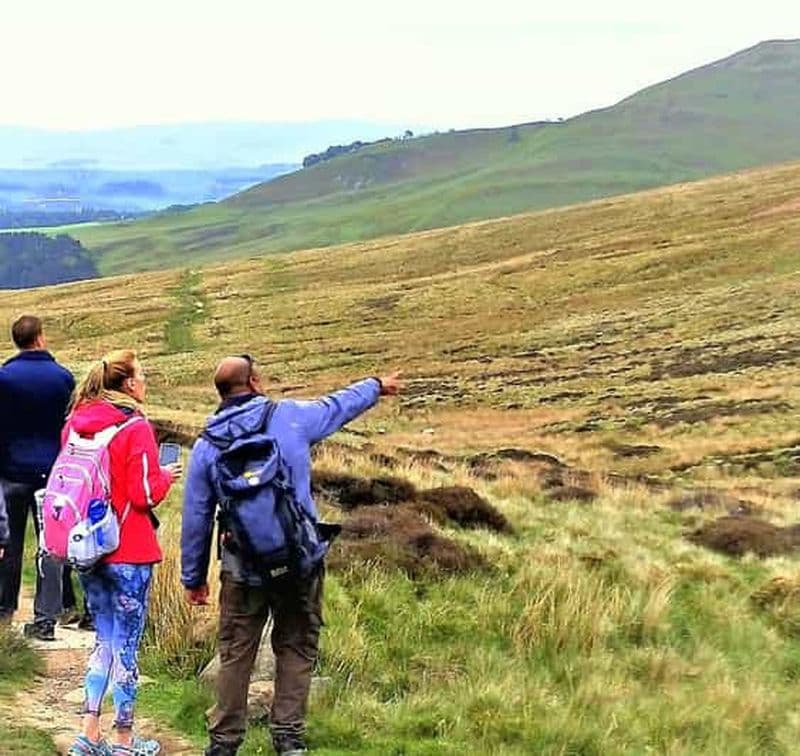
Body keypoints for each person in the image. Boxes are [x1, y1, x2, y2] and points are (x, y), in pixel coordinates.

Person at [181, 356, 401, 756]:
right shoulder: (291, 417)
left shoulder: (207, 445)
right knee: (297, 645)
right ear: (255, 381)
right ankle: (288, 739)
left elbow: (196, 517)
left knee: (235, 653)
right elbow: (339, 405)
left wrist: (193, 579)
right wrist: (375, 385)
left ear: (221, 393)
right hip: (300, 561)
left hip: (242, 566)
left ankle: (223, 743)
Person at [65, 350, 182, 756]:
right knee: (127, 646)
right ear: (128, 384)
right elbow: (143, 493)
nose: (145, 382)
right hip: (128, 547)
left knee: (103, 639)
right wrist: (165, 476)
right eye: (142, 376)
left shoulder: (74, 425)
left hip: (87, 547)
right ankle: (124, 740)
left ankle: (88, 733)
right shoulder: (135, 426)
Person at [0, 315, 75, 638]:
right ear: (40, 338)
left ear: (17, 340)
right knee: (52, 544)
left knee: (10, 543)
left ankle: (4, 613)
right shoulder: (63, 378)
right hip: (53, 474)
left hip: (12, 471)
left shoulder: (4, 378)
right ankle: (46, 618)